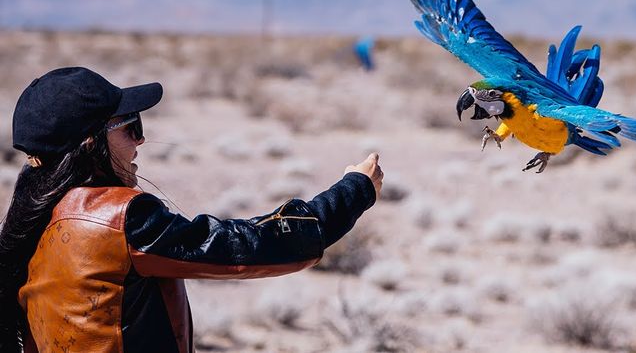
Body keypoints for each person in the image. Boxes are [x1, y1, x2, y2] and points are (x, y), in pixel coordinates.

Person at [0, 67, 383, 353]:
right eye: (129, 126)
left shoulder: (32, 212)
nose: (141, 138)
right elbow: (246, 247)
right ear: (90, 144)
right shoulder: (120, 218)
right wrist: (353, 191)